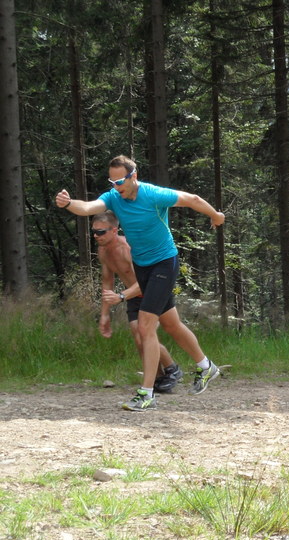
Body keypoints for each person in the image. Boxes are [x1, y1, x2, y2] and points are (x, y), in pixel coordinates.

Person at [56, 155, 225, 411]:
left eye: (120, 181)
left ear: (133, 176)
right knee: (171, 324)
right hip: (142, 266)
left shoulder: (154, 195)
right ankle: (206, 367)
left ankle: (147, 393)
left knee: (146, 327)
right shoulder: (113, 197)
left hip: (164, 263)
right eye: (111, 181)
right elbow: (88, 207)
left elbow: (193, 200)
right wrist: (68, 203)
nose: (116, 186)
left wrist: (215, 215)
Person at [93, 211, 183, 393]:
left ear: (114, 230)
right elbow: (107, 281)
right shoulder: (103, 252)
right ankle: (158, 378)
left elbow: (147, 280)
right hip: (132, 296)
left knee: (146, 333)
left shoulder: (128, 249)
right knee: (139, 338)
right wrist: (104, 314)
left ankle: (172, 369)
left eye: (101, 232)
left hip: (150, 291)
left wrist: (121, 296)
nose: (96, 236)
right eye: (94, 232)